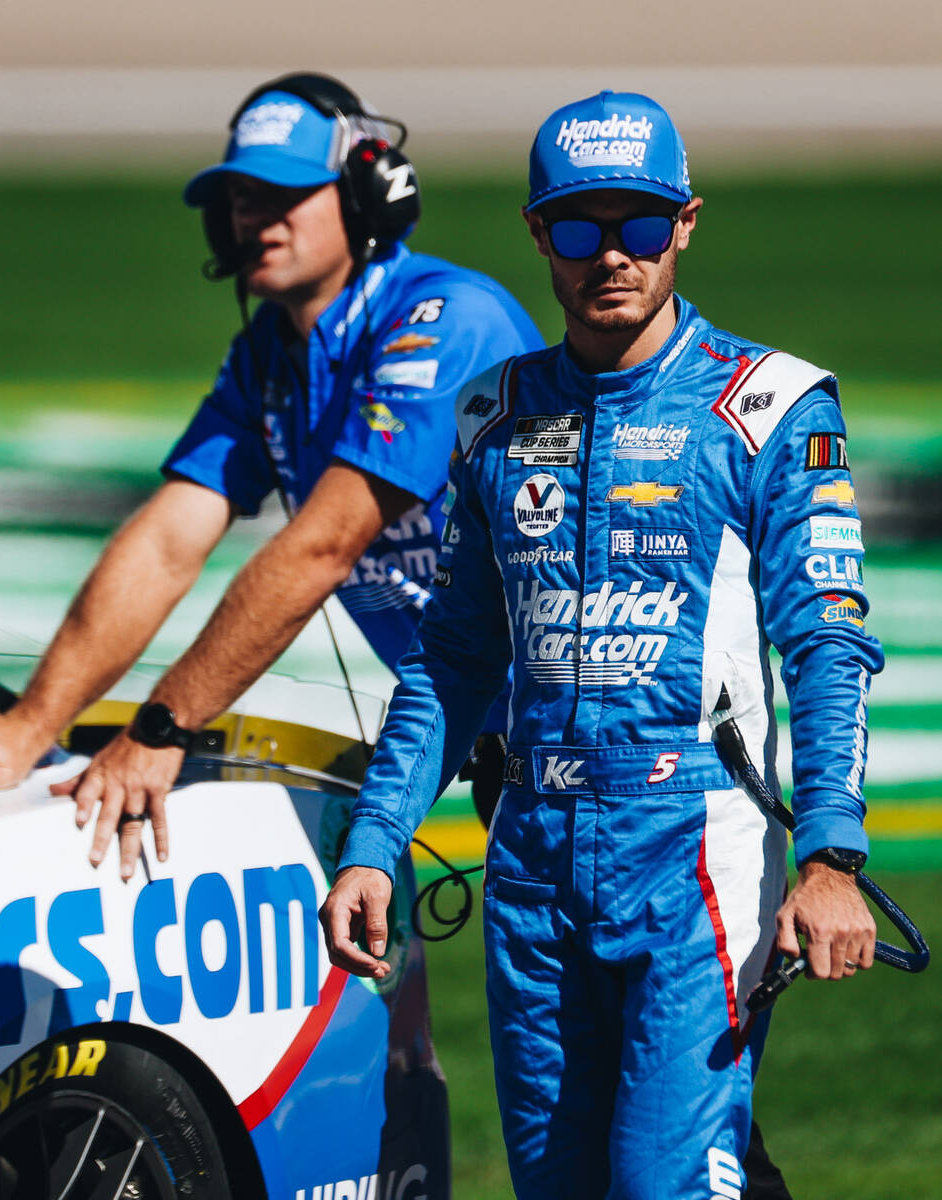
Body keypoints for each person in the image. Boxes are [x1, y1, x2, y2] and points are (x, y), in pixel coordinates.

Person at [320, 89, 883, 1198]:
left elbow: (827, 643)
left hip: (697, 857)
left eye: (636, 222)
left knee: (663, 1183)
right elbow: (453, 658)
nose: (608, 256)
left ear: (685, 221)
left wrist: (829, 857)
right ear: (538, 234)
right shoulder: (493, 416)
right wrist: (375, 841)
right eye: (579, 227)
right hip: (529, 855)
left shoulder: (770, 407)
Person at [0, 72, 542, 881]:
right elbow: (168, 539)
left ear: (366, 196)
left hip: (619, 727)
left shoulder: (447, 322)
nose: (254, 218)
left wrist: (161, 731)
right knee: (551, 1008)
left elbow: (321, 548)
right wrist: (29, 725)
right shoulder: (270, 354)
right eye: (240, 197)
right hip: (510, 736)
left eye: (285, 193)